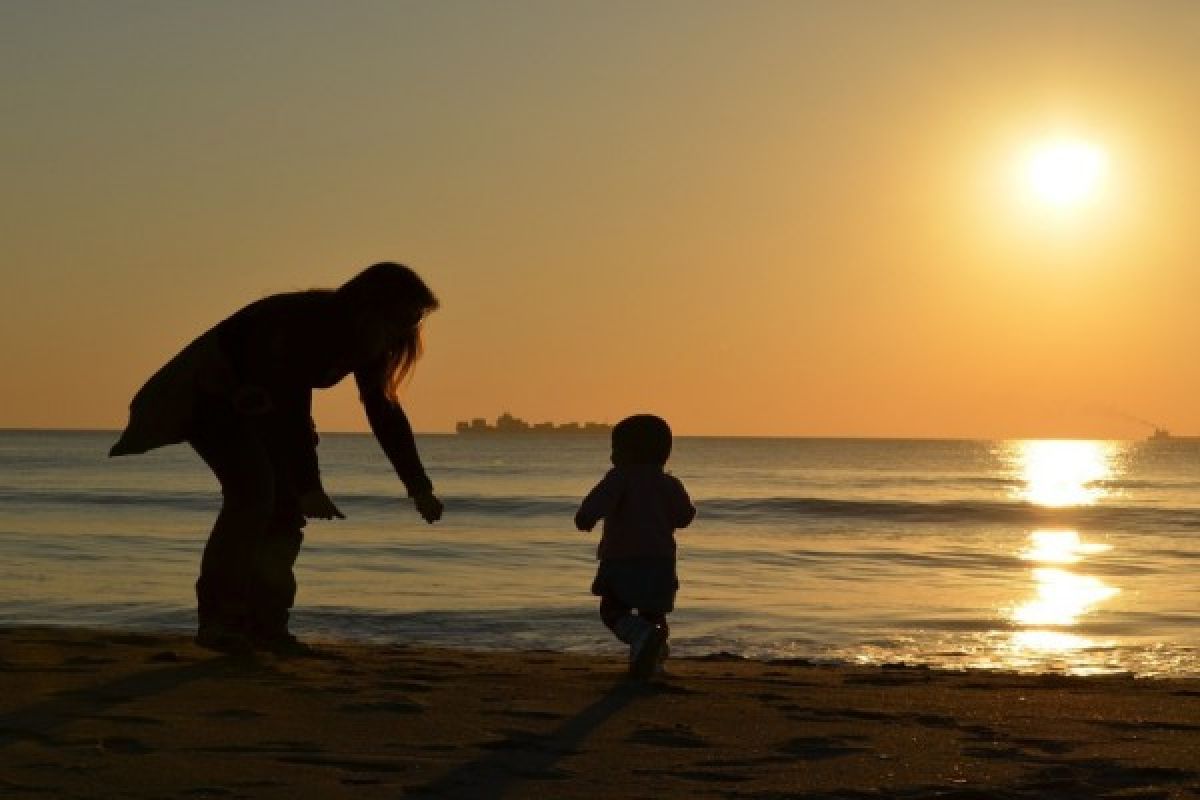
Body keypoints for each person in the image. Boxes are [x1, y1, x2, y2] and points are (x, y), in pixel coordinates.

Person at [110, 262, 444, 655]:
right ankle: (219, 622)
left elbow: (383, 412)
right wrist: (309, 487)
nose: (407, 332)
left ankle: (266, 625)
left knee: (283, 511)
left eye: (413, 322)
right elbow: (288, 407)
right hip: (208, 398)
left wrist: (418, 488)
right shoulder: (305, 324)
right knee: (253, 497)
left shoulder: (368, 343)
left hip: (259, 406)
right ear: (372, 307)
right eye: (403, 318)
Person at [574, 414, 695, 678]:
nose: (612, 456)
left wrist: (586, 517)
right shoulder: (670, 484)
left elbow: (599, 500)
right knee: (654, 613)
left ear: (628, 452)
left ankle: (641, 637)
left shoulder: (620, 478)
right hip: (661, 563)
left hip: (621, 560)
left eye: (616, 449)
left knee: (612, 609)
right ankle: (653, 662)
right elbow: (684, 517)